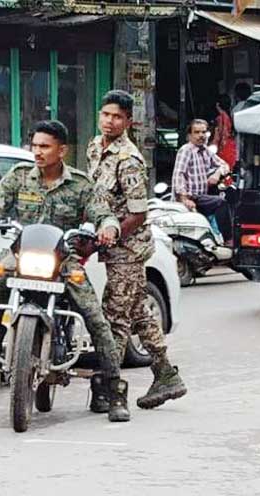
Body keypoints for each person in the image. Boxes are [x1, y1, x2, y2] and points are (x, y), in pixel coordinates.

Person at [0, 120, 130, 422]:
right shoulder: (19, 176)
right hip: (22, 253)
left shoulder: (80, 184)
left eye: (45, 146)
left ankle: (114, 388)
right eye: (34, 146)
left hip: (63, 257)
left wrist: (109, 227)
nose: (38, 152)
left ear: (62, 150)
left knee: (95, 317)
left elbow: (103, 213)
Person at [87, 90, 188, 410]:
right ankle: (166, 374)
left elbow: (138, 214)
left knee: (115, 317)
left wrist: (110, 236)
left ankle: (109, 387)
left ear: (128, 121)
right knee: (139, 312)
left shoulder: (128, 159)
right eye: (106, 115)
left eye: (117, 117)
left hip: (128, 250)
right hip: (108, 242)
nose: (109, 121)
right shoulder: (94, 147)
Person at [173, 119, 233, 243]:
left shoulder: (206, 151)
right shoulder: (186, 150)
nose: (201, 135)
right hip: (190, 197)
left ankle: (218, 240)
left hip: (201, 196)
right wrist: (184, 198)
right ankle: (228, 239)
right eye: (197, 132)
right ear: (190, 135)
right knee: (220, 203)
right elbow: (179, 174)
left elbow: (225, 165)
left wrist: (217, 174)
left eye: (203, 132)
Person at [213, 95, 238, 170]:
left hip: (224, 146)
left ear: (217, 104)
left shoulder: (220, 118)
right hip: (230, 145)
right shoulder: (229, 116)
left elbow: (220, 134)